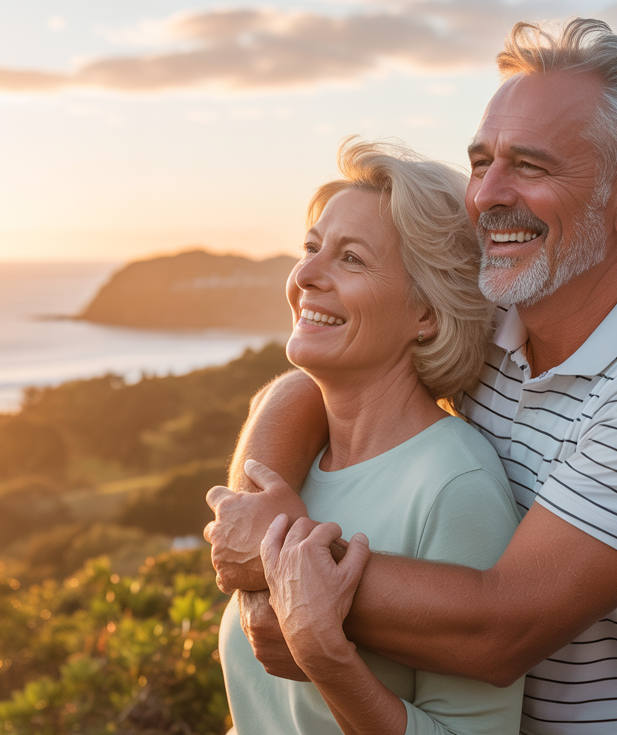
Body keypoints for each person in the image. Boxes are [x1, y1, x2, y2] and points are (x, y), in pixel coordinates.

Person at [206, 17, 617, 735]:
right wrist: (256, 500)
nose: (487, 196)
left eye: (530, 167)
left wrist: (273, 553)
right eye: (482, 162)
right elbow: (317, 385)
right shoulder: (500, 324)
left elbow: (500, 629)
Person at [216, 139, 525, 734]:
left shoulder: (453, 486)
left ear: (427, 314)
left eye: (351, 259)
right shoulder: (293, 467)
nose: (306, 275)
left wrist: (328, 660)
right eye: (310, 249)